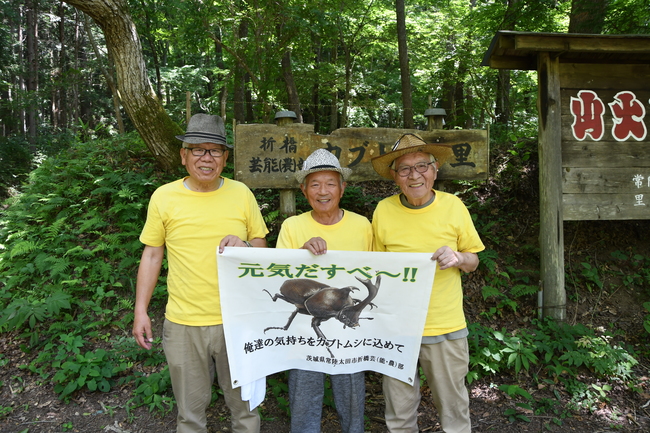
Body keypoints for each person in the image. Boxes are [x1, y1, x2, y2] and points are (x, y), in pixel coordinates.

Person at [132, 113, 268, 433]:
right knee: (189, 416)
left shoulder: (241, 194)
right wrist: (140, 311)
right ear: (184, 156)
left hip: (237, 321)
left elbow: (262, 246)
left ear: (225, 158)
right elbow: (152, 254)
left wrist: (246, 245)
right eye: (198, 149)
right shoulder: (164, 197)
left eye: (215, 151)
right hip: (183, 322)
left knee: (245, 411)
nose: (206, 157)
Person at [370, 133, 485, 433]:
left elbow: (474, 261)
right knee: (399, 411)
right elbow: (375, 268)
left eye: (422, 166)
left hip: (444, 325)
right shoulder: (383, 210)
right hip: (397, 328)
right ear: (395, 177)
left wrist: (458, 258)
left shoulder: (454, 206)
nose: (414, 175)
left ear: (435, 170)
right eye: (405, 169)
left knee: (454, 410)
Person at [275, 148, 372, 433]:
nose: (323, 191)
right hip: (304, 335)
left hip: (350, 338)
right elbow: (280, 273)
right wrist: (300, 253)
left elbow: (374, 270)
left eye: (330, 183)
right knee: (303, 398)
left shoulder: (362, 225)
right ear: (304, 190)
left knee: (353, 398)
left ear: (342, 187)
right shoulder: (292, 226)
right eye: (315, 184)